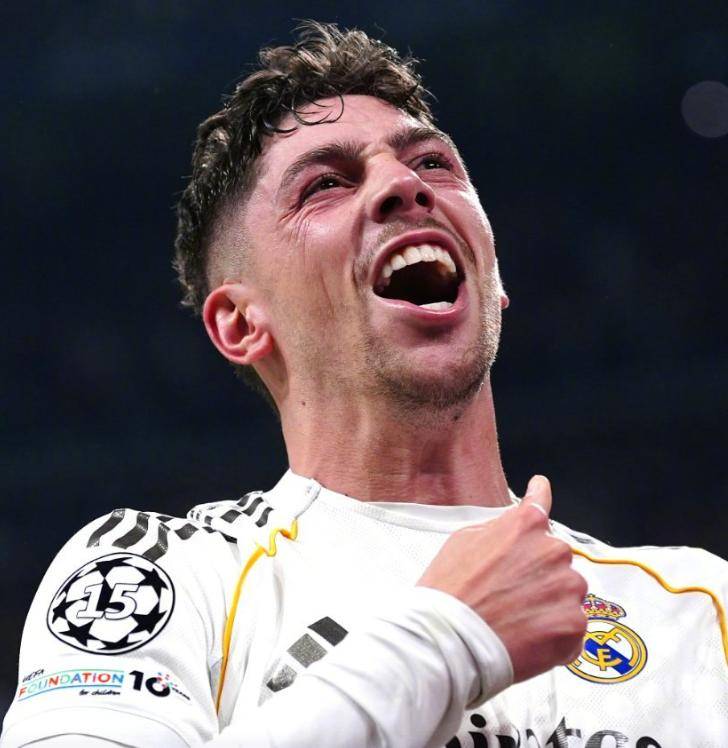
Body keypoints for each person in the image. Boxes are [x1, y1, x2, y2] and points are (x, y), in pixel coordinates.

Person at [2, 21, 726, 748]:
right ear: (242, 324)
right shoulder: (162, 573)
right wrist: (447, 636)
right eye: (325, 184)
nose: (405, 186)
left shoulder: (700, 613)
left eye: (433, 163)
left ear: (495, 274)